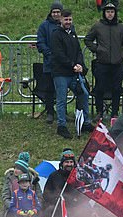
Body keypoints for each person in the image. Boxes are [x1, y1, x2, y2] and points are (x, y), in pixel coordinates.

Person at [84, 2, 123, 120]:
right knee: (99, 88)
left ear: (115, 13)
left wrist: (122, 55)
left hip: (117, 64)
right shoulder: (98, 26)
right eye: (107, 12)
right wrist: (97, 50)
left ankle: (114, 113)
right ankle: (99, 111)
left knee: (116, 89)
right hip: (102, 64)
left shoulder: (121, 27)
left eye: (112, 12)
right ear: (104, 13)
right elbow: (88, 39)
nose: (110, 14)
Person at [50, 10, 90, 139]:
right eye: (66, 20)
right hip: (61, 73)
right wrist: (72, 65)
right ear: (60, 20)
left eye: (70, 20)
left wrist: (80, 65)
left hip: (74, 72)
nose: (68, 22)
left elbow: (78, 51)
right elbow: (58, 54)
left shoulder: (73, 33)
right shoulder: (56, 34)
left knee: (83, 94)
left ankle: (85, 122)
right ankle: (62, 125)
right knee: (62, 100)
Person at [36, 2, 63, 124]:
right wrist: (50, 54)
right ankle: (50, 112)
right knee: (49, 89)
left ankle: (62, 112)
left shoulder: (66, 25)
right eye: (54, 12)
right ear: (51, 13)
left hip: (63, 64)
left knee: (62, 89)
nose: (56, 14)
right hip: (49, 63)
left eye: (58, 12)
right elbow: (41, 42)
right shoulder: (44, 26)